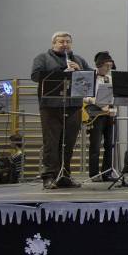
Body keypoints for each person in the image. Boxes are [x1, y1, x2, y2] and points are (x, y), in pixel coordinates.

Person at [30, 31, 89, 189]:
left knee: (68, 144)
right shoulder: (42, 58)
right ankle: (49, 177)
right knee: (51, 143)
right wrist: (61, 71)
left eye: (68, 41)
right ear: (53, 44)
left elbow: (91, 79)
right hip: (50, 107)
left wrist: (80, 72)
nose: (65, 44)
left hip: (73, 106)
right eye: (61, 41)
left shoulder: (79, 60)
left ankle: (64, 176)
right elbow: (36, 76)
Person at [84, 51, 117, 182]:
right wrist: (97, 103)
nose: (109, 68)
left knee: (110, 144)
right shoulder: (90, 77)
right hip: (95, 114)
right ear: (99, 65)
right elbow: (84, 96)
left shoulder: (110, 78)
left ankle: (107, 172)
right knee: (95, 145)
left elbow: (113, 96)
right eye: (106, 66)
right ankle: (94, 173)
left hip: (108, 114)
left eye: (110, 65)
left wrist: (113, 108)